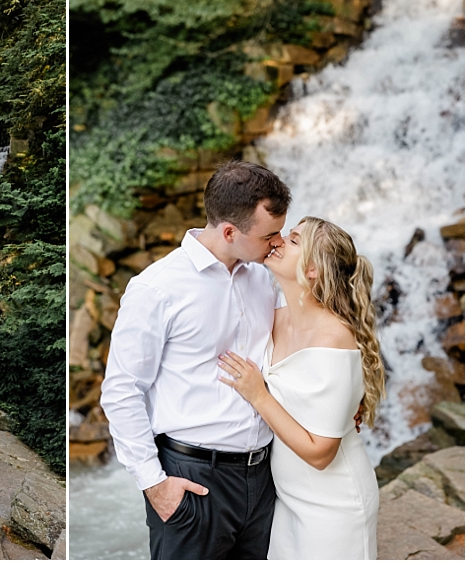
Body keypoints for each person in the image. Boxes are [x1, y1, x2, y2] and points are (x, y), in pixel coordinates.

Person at [101, 160, 292, 560]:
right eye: (270, 235)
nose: (278, 243)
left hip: (265, 477)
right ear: (229, 232)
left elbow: (288, 355)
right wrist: (155, 484)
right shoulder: (157, 288)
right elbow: (122, 391)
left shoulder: (265, 278)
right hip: (192, 479)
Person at [218, 216, 384, 559]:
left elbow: (321, 453)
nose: (277, 241)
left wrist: (259, 395)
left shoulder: (334, 337)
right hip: (286, 498)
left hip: (334, 504)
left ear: (312, 270)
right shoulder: (273, 317)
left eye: (293, 240)